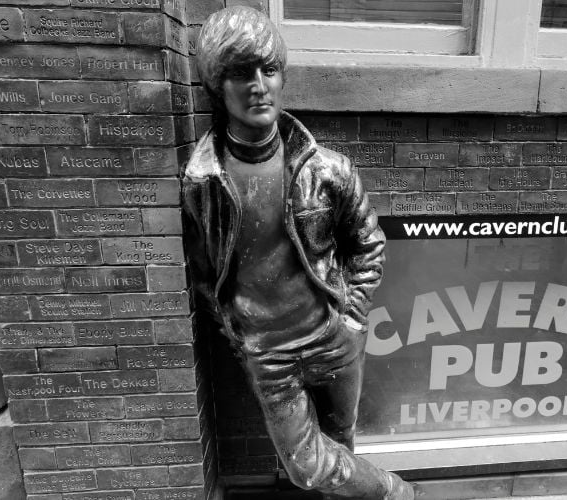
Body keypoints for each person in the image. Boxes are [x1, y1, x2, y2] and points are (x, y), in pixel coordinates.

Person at [181, 6, 414, 500]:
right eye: (241, 73)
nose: (258, 85)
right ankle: (397, 493)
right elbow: (202, 273)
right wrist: (237, 332)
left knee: (342, 445)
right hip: (268, 353)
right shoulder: (203, 183)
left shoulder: (327, 170)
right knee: (308, 466)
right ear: (217, 87)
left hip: (334, 335)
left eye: (269, 70)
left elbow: (368, 242)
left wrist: (351, 317)